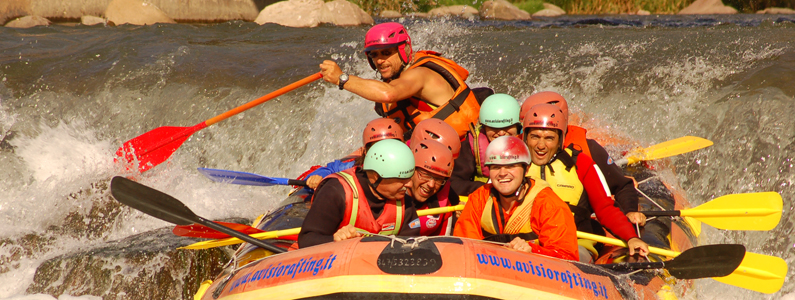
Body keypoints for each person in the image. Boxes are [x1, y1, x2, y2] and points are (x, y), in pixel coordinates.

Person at [522, 104, 649, 262]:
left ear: (560, 139)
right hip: (524, 243)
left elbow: (606, 208)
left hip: (574, 245)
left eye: (549, 138)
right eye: (535, 137)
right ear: (525, 137)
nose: (541, 145)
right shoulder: (512, 163)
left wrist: (631, 238)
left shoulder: (580, 163)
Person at [319, 22, 488, 139]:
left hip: (466, 150)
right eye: (374, 55)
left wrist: (342, 79)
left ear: (404, 50)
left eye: (386, 53)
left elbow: (389, 94)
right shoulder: (396, 80)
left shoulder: (420, 74)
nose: (379, 61)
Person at [520, 92, 646, 226]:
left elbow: (622, 186)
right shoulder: (516, 150)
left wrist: (629, 211)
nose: (540, 144)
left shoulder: (588, 149)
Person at [453, 136, 579, 261]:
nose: (502, 173)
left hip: (533, 273)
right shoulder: (479, 198)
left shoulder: (549, 205)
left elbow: (567, 259)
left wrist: (533, 250)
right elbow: (464, 247)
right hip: (487, 271)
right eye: (496, 167)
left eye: (511, 166)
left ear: (526, 169)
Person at [297, 139, 420, 248]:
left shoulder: (406, 205)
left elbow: (411, 248)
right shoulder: (336, 192)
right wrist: (334, 240)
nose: (409, 184)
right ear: (375, 177)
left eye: (409, 178)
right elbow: (306, 239)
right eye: (401, 179)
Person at [301, 118, 404, 190]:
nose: (385, 154)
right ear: (366, 151)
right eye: (378, 148)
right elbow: (330, 169)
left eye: (390, 147)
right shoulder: (353, 167)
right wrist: (318, 177)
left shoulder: (414, 170)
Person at [450, 94, 521, 197]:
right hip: (485, 196)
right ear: (484, 127)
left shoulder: (530, 140)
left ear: (517, 126)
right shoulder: (471, 145)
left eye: (507, 127)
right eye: (494, 128)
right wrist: (487, 189)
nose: (501, 133)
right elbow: (454, 183)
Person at [406, 139, 459, 236]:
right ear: (411, 169)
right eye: (425, 175)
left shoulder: (444, 202)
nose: (431, 184)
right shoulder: (390, 195)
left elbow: (444, 246)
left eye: (438, 179)